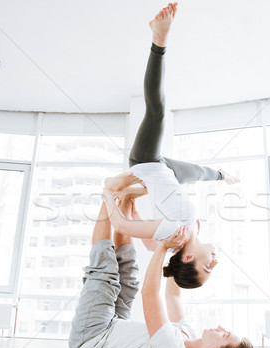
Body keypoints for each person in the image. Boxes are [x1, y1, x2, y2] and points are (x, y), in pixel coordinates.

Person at [102, 2, 239, 289]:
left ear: (188, 257)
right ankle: (223, 175)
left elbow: (124, 227)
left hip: (147, 162)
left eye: (207, 267)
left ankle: (158, 40)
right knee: (203, 173)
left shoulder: (174, 232)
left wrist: (109, 195)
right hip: (168, 173)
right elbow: (152, 246)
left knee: (157, 112)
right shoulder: (189, 231)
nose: (214, 261)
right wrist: (133, 201)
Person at [68, 175, 255, 348]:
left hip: (91, 339)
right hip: (114, 324)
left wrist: (163, 247)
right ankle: (123, 200)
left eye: (225, 335)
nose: (221, 327)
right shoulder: (187, 333)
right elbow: (172, 294)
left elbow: (150, 295)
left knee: (105, 273)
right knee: (129, 278)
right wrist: (189, 253)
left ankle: (108, 194)